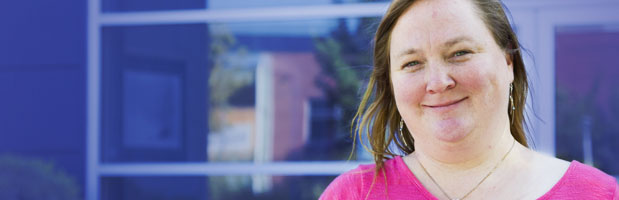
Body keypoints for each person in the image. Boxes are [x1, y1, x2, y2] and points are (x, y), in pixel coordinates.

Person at [320, 0, 619, 199]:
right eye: (412, 63)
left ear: (507, 63)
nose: (438, 82)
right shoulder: (354, 195)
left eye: (460, 53)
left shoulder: (598, 194)